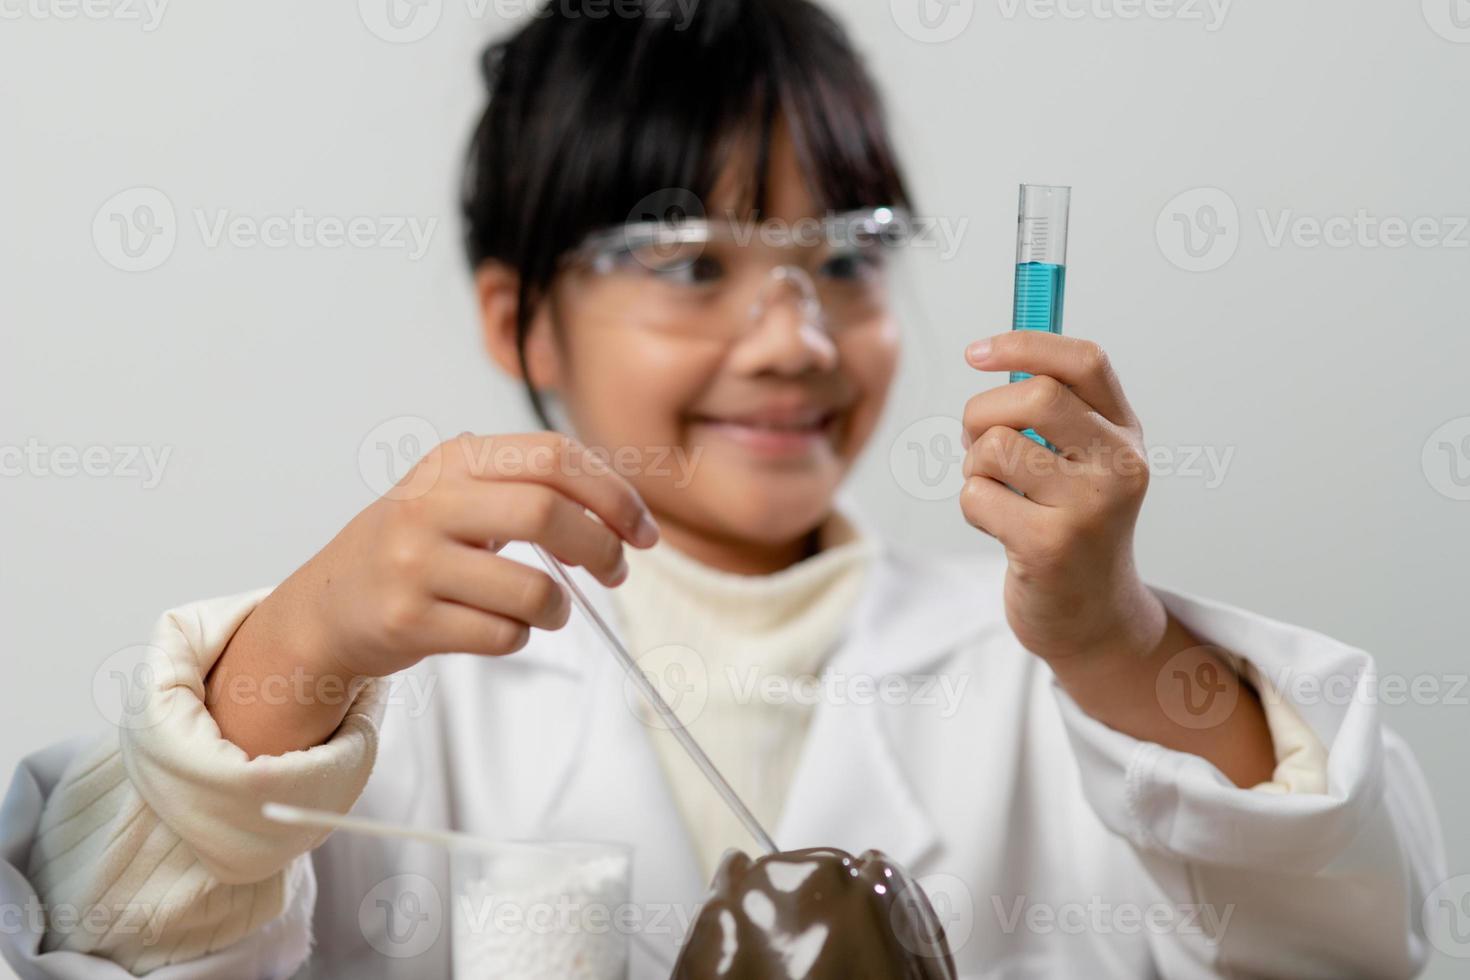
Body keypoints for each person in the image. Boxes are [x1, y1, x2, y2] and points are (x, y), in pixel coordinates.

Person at [0, 1, 1447, 977]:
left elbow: (1353, 942)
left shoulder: (1057, 682)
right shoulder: (405, 696)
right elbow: (94, 941)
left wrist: (1119, 647)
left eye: (847, 258)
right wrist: (292, 660)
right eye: (693, 262)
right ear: (517, 319)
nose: (796, 341)